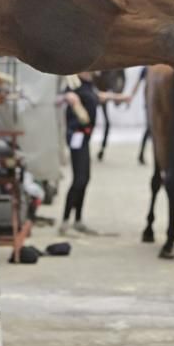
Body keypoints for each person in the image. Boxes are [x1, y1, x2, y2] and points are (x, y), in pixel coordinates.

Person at [59, 71, 127, 235]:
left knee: (85, 179)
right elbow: (64, 96)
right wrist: (69, 98)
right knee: (79, 179)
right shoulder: (74, 84)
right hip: (77, 137)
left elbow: (99, 96)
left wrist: (120, 98)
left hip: (85, 138)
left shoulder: (89, 86)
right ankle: (65, 222)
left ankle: (78, 220)